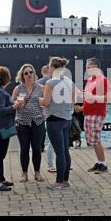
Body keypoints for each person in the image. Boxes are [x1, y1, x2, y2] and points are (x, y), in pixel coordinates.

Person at [40, 57, 75, 190]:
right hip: (67, 119)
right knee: (65, 151)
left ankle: (59, 181)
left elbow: (45, 102)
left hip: (54, 120)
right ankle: (65, 180)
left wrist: (35, 99)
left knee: (59, 152)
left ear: (53, 68)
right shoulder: (69, 82)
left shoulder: (51, 82)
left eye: (49, 68)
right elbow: (72, 103)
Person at [0, 66, 24, 191]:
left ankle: (1, 178)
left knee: (1, 154)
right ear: (5, 78)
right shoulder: (0, 92)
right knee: (0, 154)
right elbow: (1, 110)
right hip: (1, 127)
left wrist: (14, 104)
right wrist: (15, 106)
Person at [76, 57, 111, 174]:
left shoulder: (103, 80)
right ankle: (100, 162)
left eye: (88, 67)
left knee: (96, 139)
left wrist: (93, 97)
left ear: (95, 67)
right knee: (92, 139)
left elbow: (109, 98)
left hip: (97, 113)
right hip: (88, 113)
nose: (86, 70)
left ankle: (103, 164)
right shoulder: (90, 80)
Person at [12, 64, 45, 183]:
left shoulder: (41, 87)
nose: (29, 75)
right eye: (26, 73)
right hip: (23, 122)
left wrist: (44, 111)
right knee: (24, 149)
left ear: (34, 74)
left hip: (38, 121)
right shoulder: (18, 89)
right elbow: (13, 103)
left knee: (37, 148)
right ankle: (24, 173)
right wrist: (18, 102)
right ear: (22, 76)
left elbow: (46, 103)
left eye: (30, 72)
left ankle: (37, 172)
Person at [37, 65, 56, 172]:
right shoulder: (52, 82)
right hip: (51, 113)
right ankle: (53, 164)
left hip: (41, 114)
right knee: (54, 142)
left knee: (48, 140)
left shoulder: (38, 83)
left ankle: (51, 164)